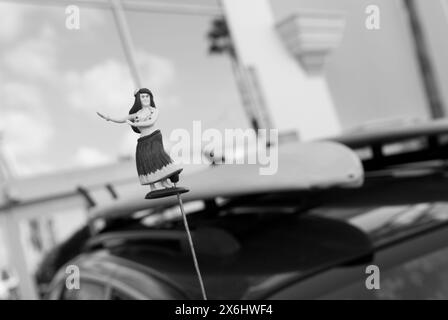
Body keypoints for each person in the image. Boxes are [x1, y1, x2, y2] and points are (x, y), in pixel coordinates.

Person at [97, 88, 182, 193]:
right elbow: (123, 119)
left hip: (154, 138)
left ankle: (164, 180)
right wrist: (109, 118)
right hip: (143, 141)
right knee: (148, 162)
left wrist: (135, 124)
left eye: (147, 96)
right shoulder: (137, 114)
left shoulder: (154, 110)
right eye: (143, 97)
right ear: (138, 99)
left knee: (159, 159)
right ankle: (153, 186)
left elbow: (151, 121)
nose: (145, 98)